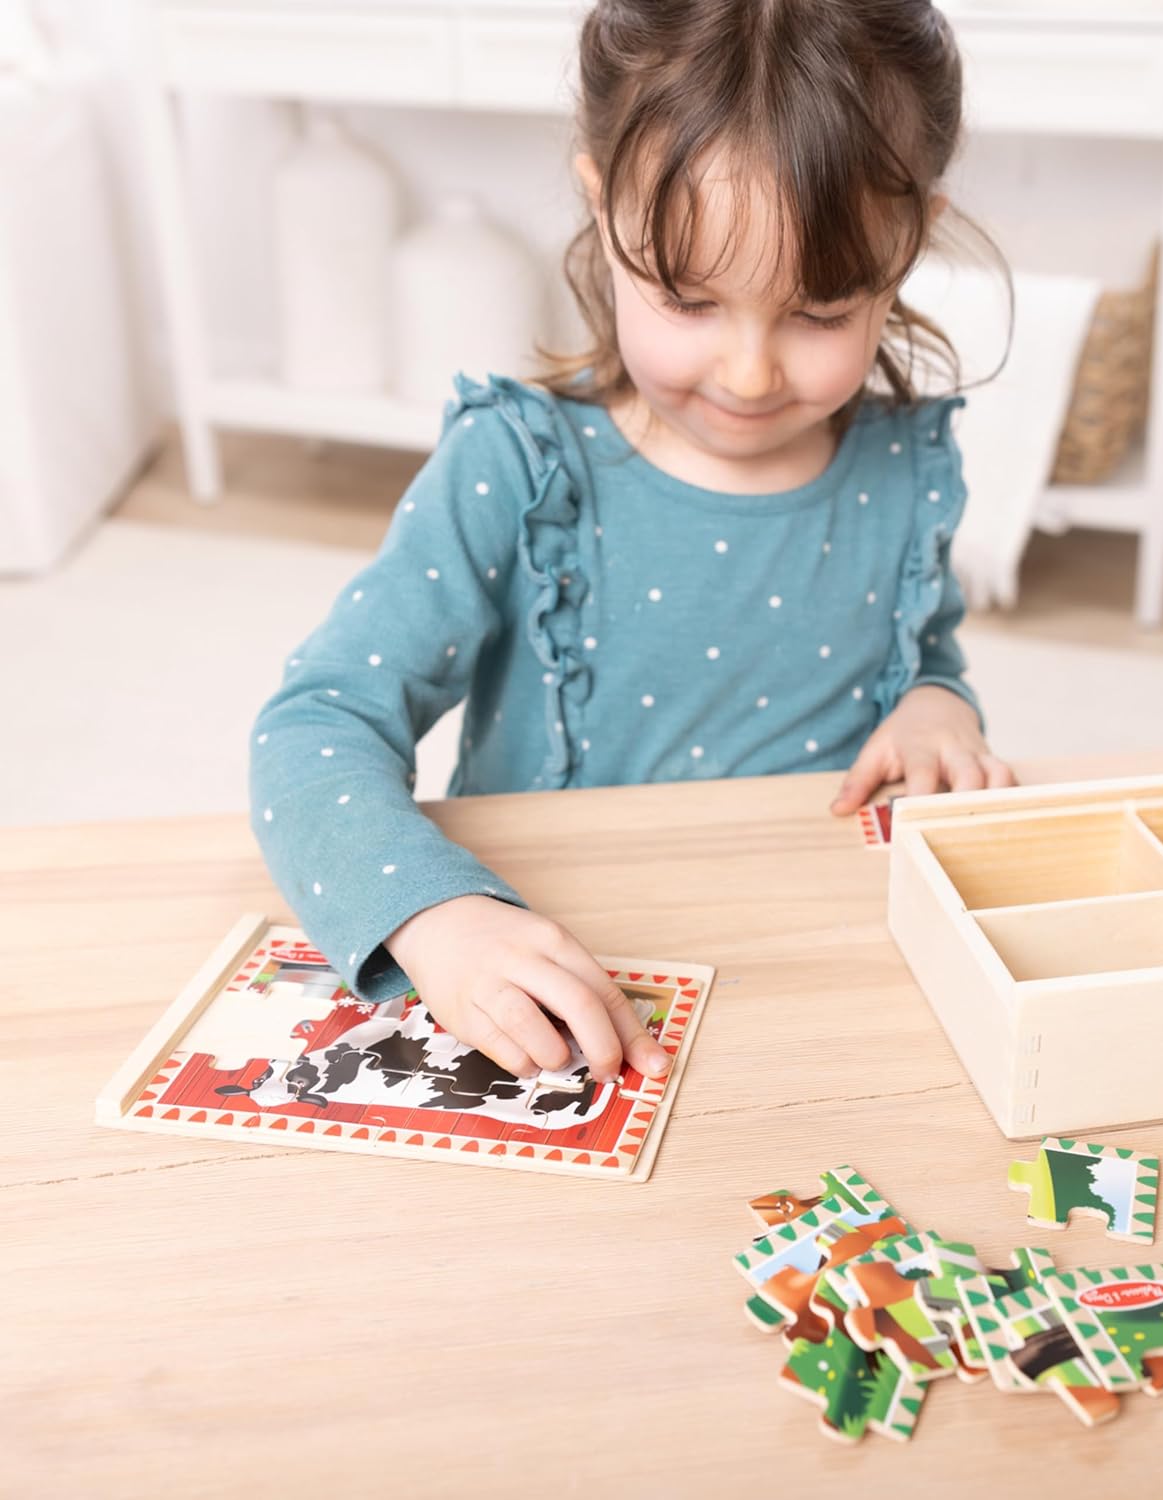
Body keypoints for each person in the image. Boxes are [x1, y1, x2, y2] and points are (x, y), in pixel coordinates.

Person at [250, 0, 1015, 1093]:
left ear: (909, 245)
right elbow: (316, 725)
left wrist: (939, 704)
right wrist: (437, 918)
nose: (749, 373)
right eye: (690, 299)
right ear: (602, 206)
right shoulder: (515, 467)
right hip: (565, 996)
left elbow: (917, 648)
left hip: (819, 986)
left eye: (819, 313)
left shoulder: (904, 468)